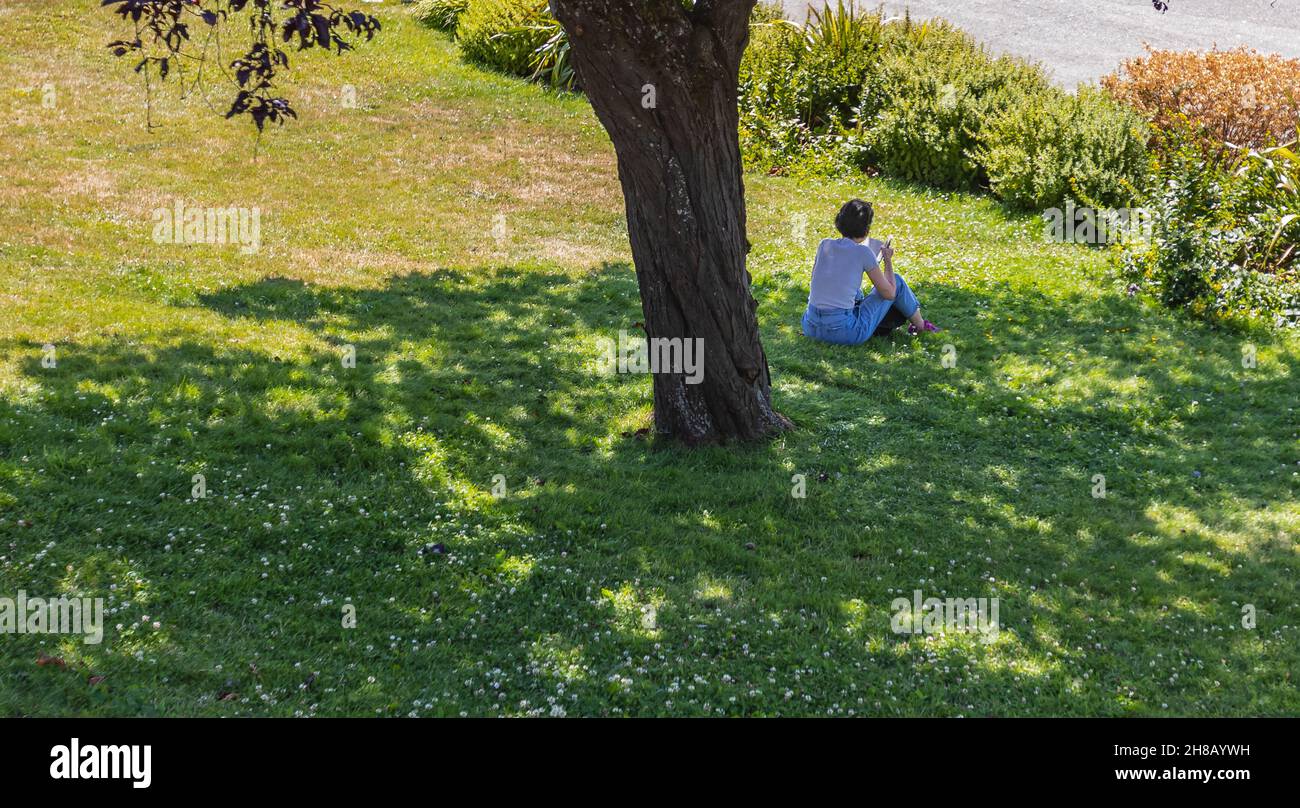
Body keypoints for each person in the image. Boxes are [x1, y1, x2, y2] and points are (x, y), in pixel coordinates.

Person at [801, 199, 939, 345]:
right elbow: (889, 293)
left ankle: (916, 324)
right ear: (866, 229)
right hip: (844, 332)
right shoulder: (863, 252)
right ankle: (921, 326)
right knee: (896, 281)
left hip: (811, 327)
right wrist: (887, 260)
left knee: (858, 293)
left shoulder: (824, 245)